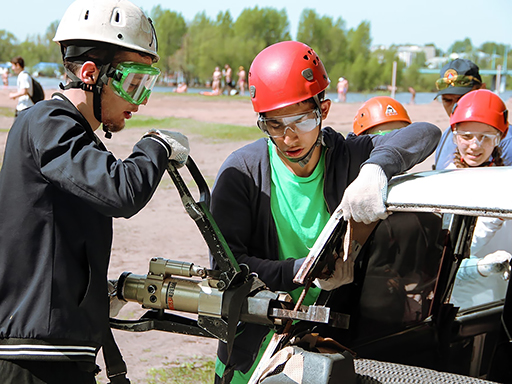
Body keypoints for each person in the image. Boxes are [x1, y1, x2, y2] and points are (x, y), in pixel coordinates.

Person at [210, 41, 441, 384]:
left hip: (329, 348)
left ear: (324, 109)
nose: (289, 137)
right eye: (275, 125)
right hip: (253, 350)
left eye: (302, 120)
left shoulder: (348, 155)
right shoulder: (242, 173)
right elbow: (226, 267)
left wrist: (376, 168)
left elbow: (426, 133)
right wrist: (302, 272)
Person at [0, 0, 190, 382]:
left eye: (146, 84)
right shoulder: (48, 122)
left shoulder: (69, 134)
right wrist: (155, 145)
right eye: (133, 82)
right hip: (35, 358)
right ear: (90, 73)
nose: (142, 99)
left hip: (57, 351)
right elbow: (121, 191)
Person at [444, 90, 512, 310]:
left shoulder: (505, 180)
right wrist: (493, 216)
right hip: (461, 300)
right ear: (454, 134)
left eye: (485, 137)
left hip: (502, 294)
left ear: (501, 137)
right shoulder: (445, 182)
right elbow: (451, 249)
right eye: (466, 136)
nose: (475, 145)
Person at [433, 58, 512, 169]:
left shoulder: (507, 140)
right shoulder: (448, 134)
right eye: (447, 100)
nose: (454, 107)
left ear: (482, 89)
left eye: (463, 98)